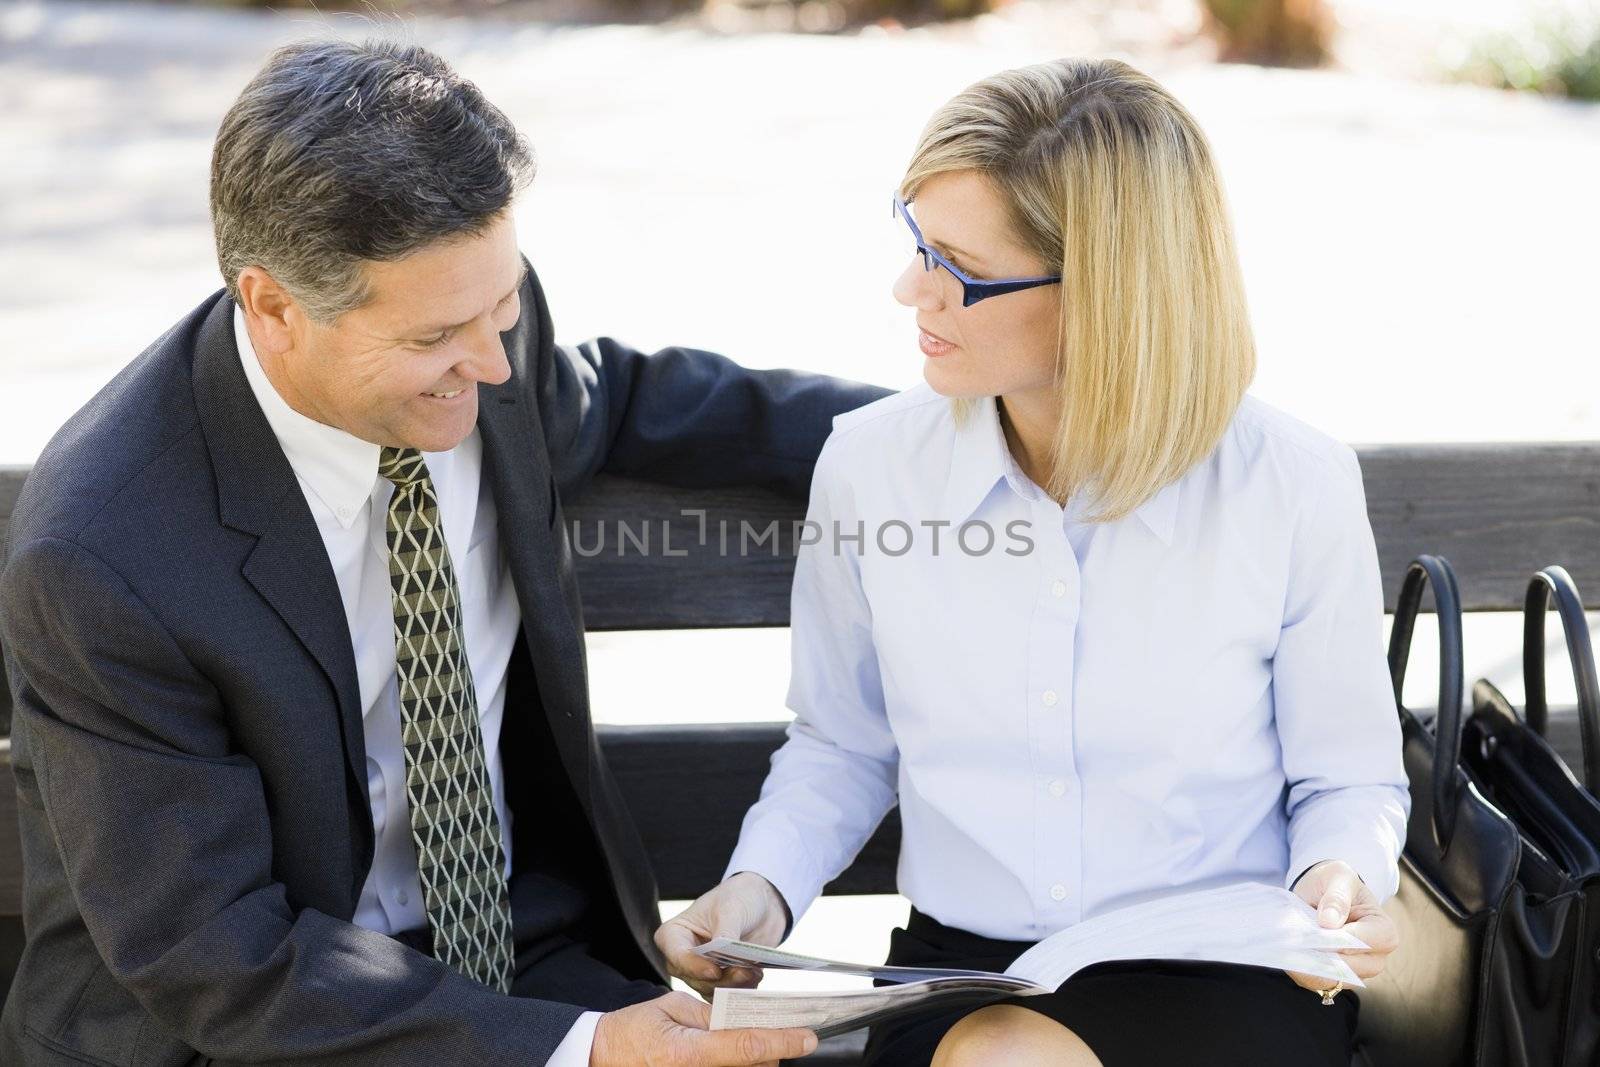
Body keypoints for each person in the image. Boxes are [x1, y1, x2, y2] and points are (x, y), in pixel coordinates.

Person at [0, 38, 889, 1067]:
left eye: (503, 305)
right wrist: (589, 1049)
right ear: (275, 306)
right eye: (434, 337)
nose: (495, 362)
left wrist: (947, 432)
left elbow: (633, 397)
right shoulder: (107, 554)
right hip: (248, 1024)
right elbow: (216, 954)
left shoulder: (469, 322)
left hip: (522, 957)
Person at [657, 57, 1409, 1066]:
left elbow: (1347, 776)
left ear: (1108, 289)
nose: (908, 288)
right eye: (915, 241)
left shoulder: (1290, 481)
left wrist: (1338, 878)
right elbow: (842, 740)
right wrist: (758, 891)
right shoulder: (873, 466)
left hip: (1220, 974)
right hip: (956, 971)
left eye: (957, 268)